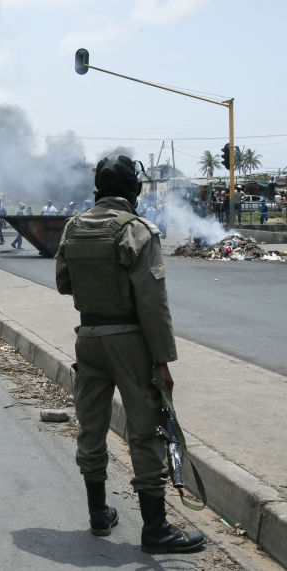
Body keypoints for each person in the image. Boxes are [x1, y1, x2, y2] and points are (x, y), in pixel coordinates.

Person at [56, 155, 204, 554]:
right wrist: (162, 361)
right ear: (134, 189)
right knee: (146, 430)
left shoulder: (74, 226)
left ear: (97, 188)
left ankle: (99, 513)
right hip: (129, 341)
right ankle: (155, 529)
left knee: (91, 425)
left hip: (88, 336)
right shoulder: (139, 230)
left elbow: (64, 283)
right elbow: (153, 303)